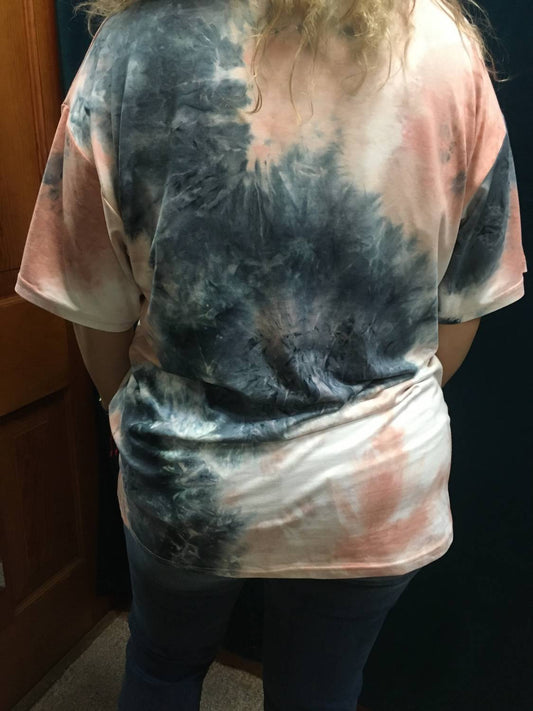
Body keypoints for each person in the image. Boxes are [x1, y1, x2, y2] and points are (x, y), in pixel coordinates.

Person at [15, 0, 527, 709]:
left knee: (163, 664)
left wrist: (118, 410)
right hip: (370, 482)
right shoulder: (443, 48)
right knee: (321, 687)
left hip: (186, 474)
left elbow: (95, 308)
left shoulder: (127, 51)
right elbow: (462, 309)